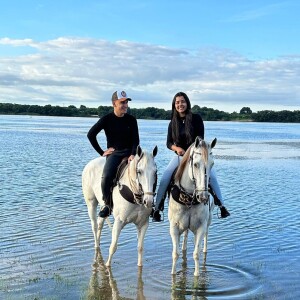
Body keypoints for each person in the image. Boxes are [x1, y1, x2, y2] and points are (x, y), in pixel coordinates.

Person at [152, 92, 230, 222]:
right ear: (174, 105)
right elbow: (168, 143)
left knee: (213, 177)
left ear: (187, 103)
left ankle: (221, 206)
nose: (180, 104)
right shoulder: (172, 123)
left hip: (196, 156)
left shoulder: (196, 118)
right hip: (180, 157)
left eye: (182, 101)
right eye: (177, 102)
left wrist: (189, 151)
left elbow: (200, 139)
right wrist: (176, 149)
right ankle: (157, 209)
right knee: (165, 177)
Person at [87, 90, 140, 218]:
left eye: (126, 102)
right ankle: (107, 204)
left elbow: (136, 140)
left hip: (130, 152)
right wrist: (102, 152)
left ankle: (149, 203)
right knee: (106, 176)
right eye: (122, 102)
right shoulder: (106, 119)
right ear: (114, 104)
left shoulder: (132, 119)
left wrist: (133, 154)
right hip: (115, 153)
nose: (125, 105)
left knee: (147, 170)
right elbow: (91, 135)